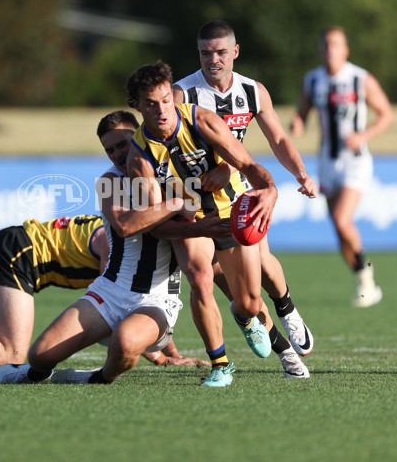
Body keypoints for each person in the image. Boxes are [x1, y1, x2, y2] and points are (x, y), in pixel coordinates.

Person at [0, 110, 231, 386]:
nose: (117, 154)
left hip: (157, 300)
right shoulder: (109, 181)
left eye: (123, 144)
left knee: (125, 342)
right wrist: (175, 204)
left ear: (139, 137)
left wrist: (224, 171)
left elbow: (229, 161)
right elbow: (126, 225)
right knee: (40, 355)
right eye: (109, 149)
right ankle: (32, 373)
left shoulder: (171, 173)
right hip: (109, 292)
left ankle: (98, 378)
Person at [123, 61, 305, 387]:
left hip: (231, 211)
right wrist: (199, 228)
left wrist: (271, 188)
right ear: (137, 106)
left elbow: (248, 164)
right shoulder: (139, 157)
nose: (162, 110)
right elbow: (155, 226)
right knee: (200, 275)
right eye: (151, 104)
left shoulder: (201, 119)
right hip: (189, 222)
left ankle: (244, 316)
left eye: (166, 99)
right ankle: (220, 364)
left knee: (249, 302)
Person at [0, 214, 207, 368]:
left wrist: (168, 353)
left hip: (15, 247)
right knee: (12, 356)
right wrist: (159, 354)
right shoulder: (115, 240)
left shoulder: (128, 238)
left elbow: (140, 301)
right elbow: (120, 309)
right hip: (16, 254)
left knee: (9, 352)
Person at [173, 20, 315, 373]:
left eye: (221, 52)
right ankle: (275, 354)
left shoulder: (253, 91)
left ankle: (286, 307)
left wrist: (300, 173)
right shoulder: (181, 95)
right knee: (207, 277)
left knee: (263, 266)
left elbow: (278, 139)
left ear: (235, 52)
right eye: (206, 53)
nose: (213, 60)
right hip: (192, 201)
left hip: (236, 195)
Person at [291, 26, 393, 307]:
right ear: (320, 49)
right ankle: (363, 279)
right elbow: (303, 110)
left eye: (336, 45)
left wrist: (363, 135)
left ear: (345, 49)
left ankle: (366, 275)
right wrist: (298, 122)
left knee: (341, 219)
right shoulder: (312, 80)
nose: (330, 50)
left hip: (355, 161)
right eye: (325, 44)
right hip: (327, 160)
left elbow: (385, 114)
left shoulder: (360, 79)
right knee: (338, 232)